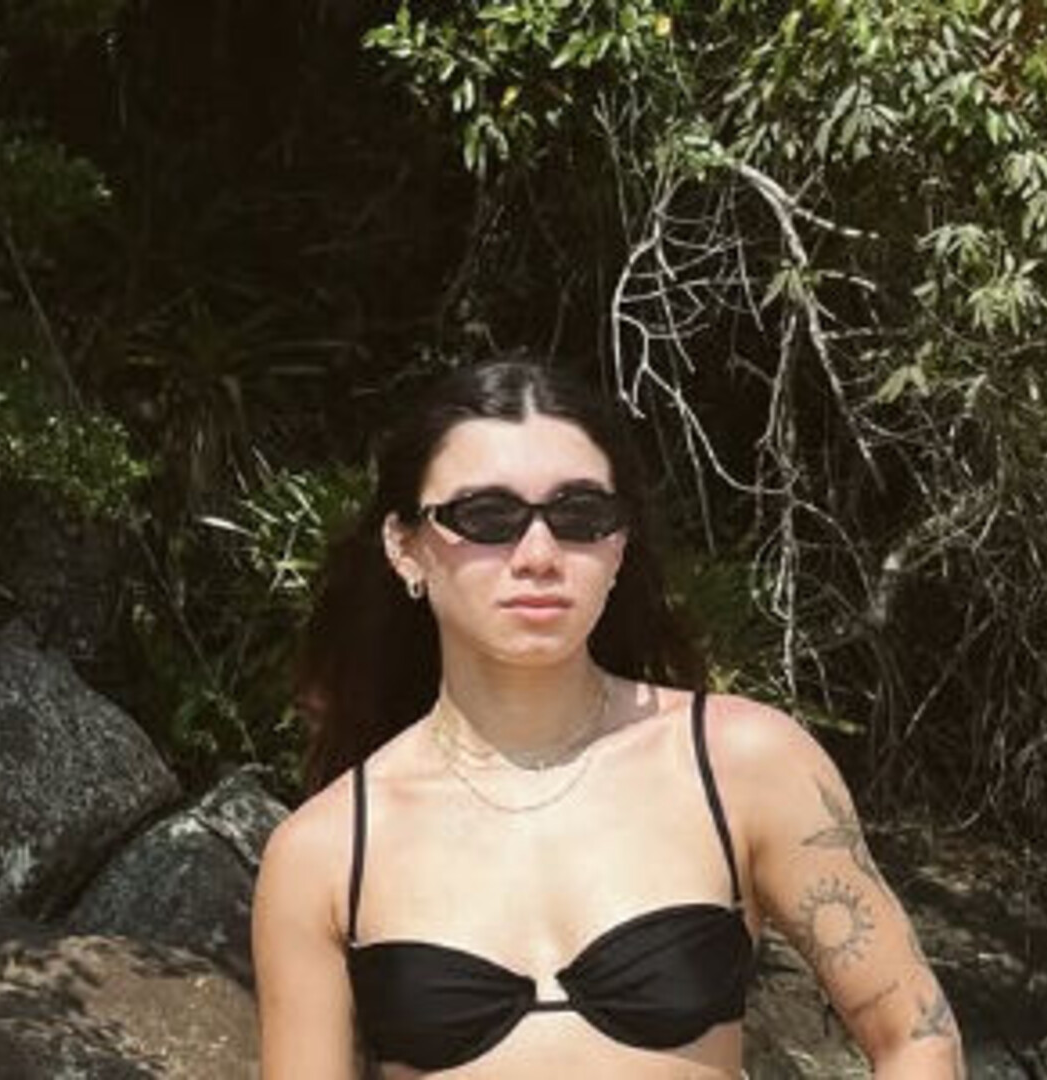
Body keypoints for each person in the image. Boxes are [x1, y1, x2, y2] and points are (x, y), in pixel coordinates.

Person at [253, 359, 965, 1078]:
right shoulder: (324, 853)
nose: (538, 555)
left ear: (618, 544)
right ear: (405, 547)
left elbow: (916, 1037)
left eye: (580, 516)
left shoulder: (741, 763)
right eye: (487, 517)